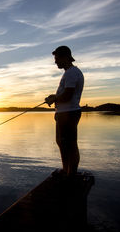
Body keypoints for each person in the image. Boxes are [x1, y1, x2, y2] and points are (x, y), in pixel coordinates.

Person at [45, 46, 84, 177]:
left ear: (65, 57)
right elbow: (65, 94)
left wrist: (54, 98)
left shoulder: (72, 73)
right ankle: (66, 170)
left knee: (70, 144)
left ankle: (71, 174)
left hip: (69, 113)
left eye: (57, 59)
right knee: (62, 142)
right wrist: (54, 97)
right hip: (65, 113)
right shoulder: (69, 72)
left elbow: (67, 95)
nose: (55, 62)